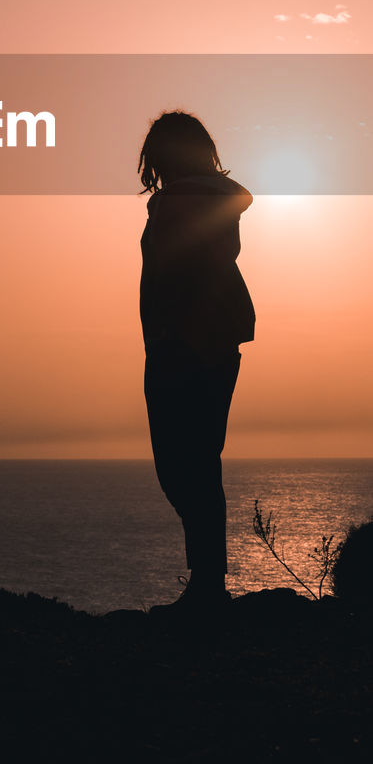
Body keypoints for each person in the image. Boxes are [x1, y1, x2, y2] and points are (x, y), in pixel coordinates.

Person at [138, 110, 255, 614]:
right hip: (199, 343)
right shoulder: (202, 198)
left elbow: (175, 274)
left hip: (185, 345)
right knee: (193, 464)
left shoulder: (183, 200)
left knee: (186, 465)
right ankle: (208, 581)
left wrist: (171, 336)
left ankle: (208, 585)